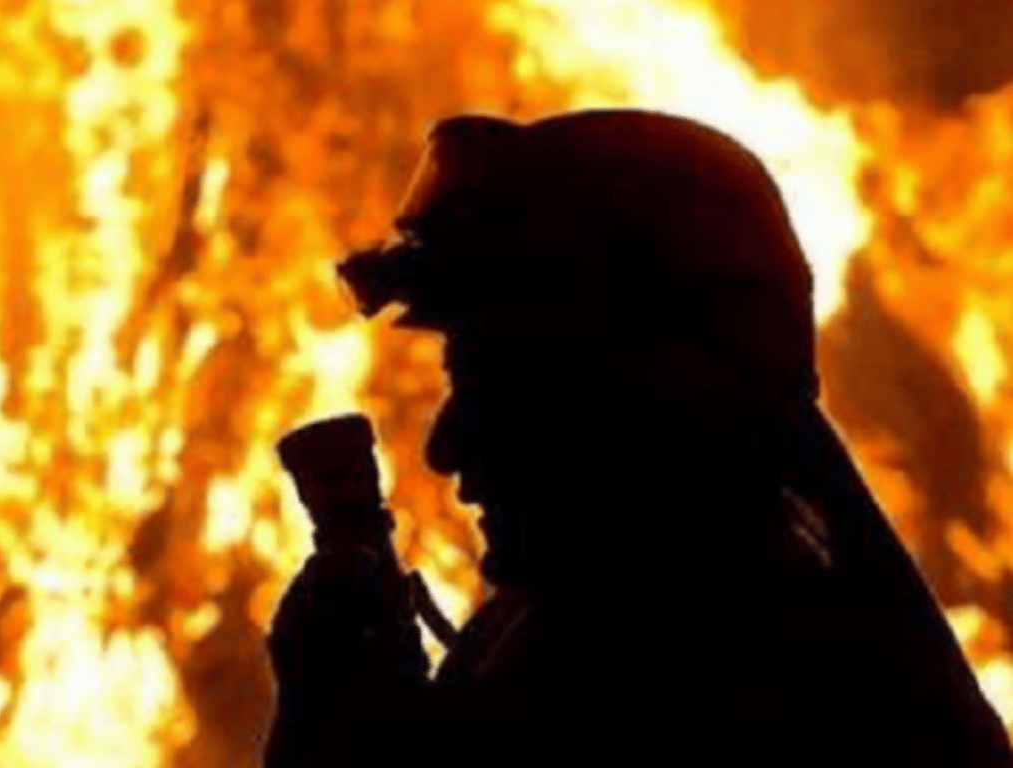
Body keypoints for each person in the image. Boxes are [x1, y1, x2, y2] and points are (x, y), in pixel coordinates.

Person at [262, 109, 1013, 767]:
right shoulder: (565, 629)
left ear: (652, 396)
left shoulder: (725, 688)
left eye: (511, 390)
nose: (447, 447)